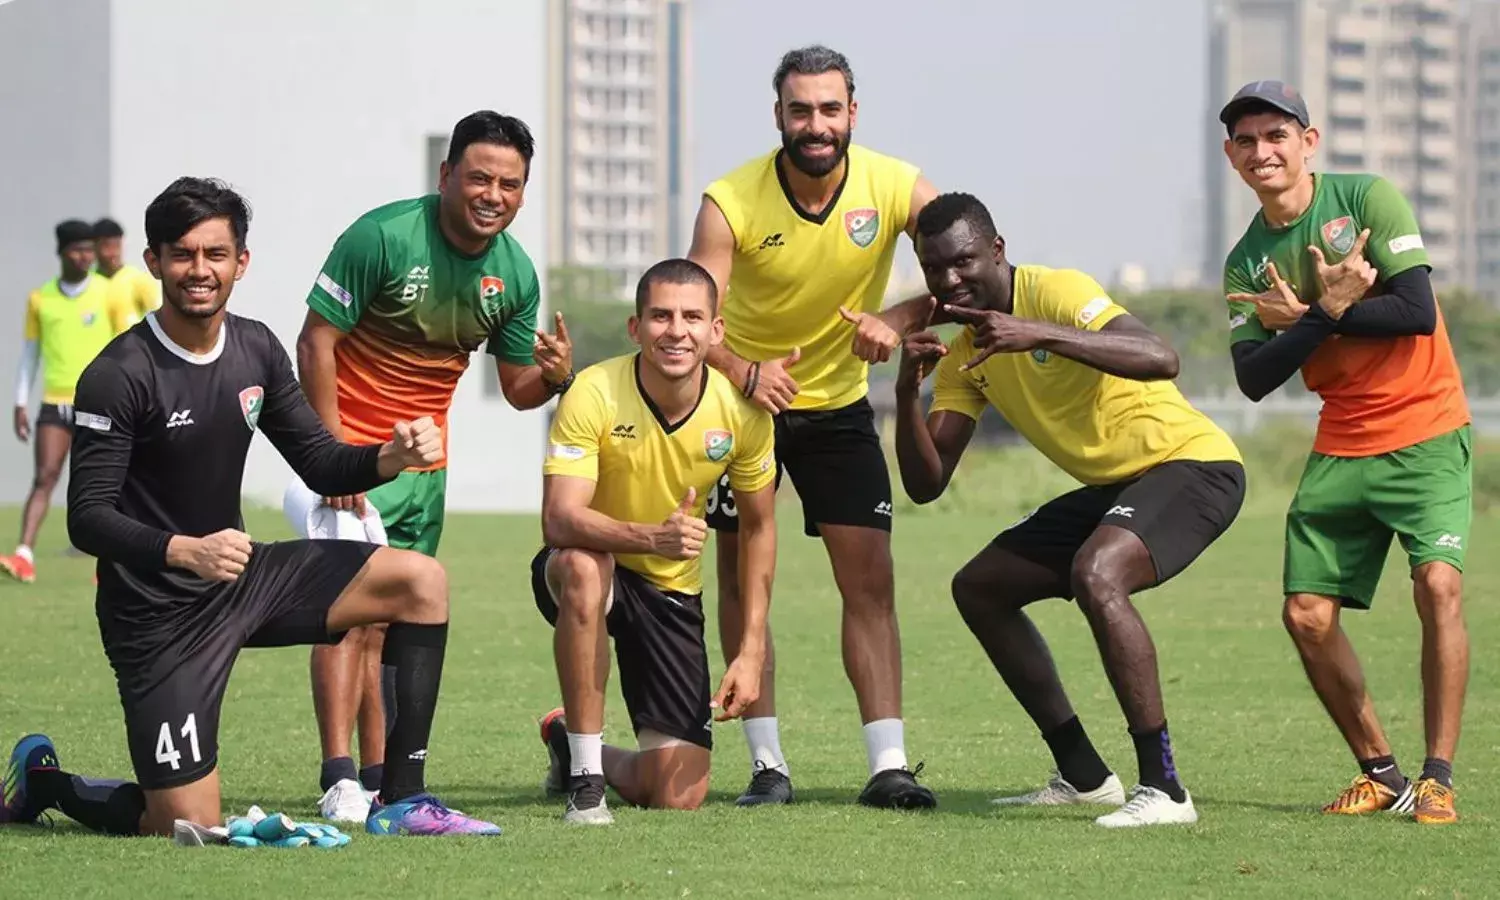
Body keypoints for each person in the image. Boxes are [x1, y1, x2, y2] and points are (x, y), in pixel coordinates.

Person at [0, 177, 499, 838]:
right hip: (157, 616)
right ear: (153, 262)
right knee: (183, 823)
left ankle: (403, 799)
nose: (199, 270)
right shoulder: (119, 373)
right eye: (182, 254)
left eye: (215, 254)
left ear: (241, 262)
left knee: (420, 581)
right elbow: (86, 518)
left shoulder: (255, 348)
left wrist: (389, 455)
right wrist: (188, 551)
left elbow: (319, 461)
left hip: (241, 580)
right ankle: (43, 782)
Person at [895, 192, 1246, 828]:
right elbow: (927, 483)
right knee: (980, 588)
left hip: (1193, 465)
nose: (949, 280)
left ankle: (1164, 788)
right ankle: (1084, 776)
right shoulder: (965, 353)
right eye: (934, 268)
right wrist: (903, 392)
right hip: (1117, 489)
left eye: (963, 261)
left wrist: (1037, 332)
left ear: (997, 251)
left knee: (1098, 572)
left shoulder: (1055, 291)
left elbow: (1160, 357)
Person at [296, 110, 571, 822]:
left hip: (426, 472)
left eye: (510, 184)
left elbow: (517, 390)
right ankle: (338, 777)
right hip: (351, 460)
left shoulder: (514, 273)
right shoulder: (383, 237)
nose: (493, 195)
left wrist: (555, 378)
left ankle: (382, 779)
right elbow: (315, 342)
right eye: (479, 177)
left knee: (395, 622)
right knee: (346, 620)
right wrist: (334, 462)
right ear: (446, 174)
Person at [686, 44, 938, 809]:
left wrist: (896, 320)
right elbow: (693, 317)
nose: (817, 124)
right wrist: (744, 373)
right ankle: (767, 767)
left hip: (838, 409)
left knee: (870, 582)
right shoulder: (729, 201)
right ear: (779, 116)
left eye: (830, 108)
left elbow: (973, 271)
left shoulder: (897, 185)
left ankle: (889, 766)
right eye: (801, 110)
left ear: (853, 112)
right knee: (741, 582)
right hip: (744, 409)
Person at [1219, 81, 1470, 825]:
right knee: (1306, 616)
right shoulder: (1245, 262)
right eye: (1246, 141)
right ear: (1231, 156)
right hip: (1342, 442)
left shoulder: (1365, 199)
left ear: (1309, 142)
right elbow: (1254, 378)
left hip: (1426, 427)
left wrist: (1310, 319)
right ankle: (1381, 774)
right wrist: (1326, 311)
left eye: (1276, 136)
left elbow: (1415, 311)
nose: (1262, 151)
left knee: (1438, 586)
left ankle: (1438, 778)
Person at [532, 258, 776, 824]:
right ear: (635, 327)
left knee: (678, 793)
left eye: (692, 317)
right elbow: (559, 520)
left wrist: (751, 650)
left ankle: (569, 747)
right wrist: (651, 537)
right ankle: (587, 784)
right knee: (586, 567)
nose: (676, 331)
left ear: (716, 331)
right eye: (661, 316)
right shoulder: (592, 391)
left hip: (670, 591)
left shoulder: (742, 414)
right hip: (583, 565)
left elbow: (760, 528)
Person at [1, 220, 130, 584]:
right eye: (77, 250)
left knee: (108, 484)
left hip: (100, 403)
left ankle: (113, 564)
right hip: (55, 402)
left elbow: (128, 346)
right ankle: (24, 555)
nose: (85, 256)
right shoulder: (40, 299)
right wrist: (20, 402)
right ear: (61, 253)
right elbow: (30, 355)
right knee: (45, 476)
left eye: (89, 249)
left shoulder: (109, 293)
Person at [94, 217, 162, 327]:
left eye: (117, 246)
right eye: (107, 246)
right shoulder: (89, 282)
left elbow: (160, 315)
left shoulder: (138, 279)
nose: (113, 253)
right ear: (95, 247)